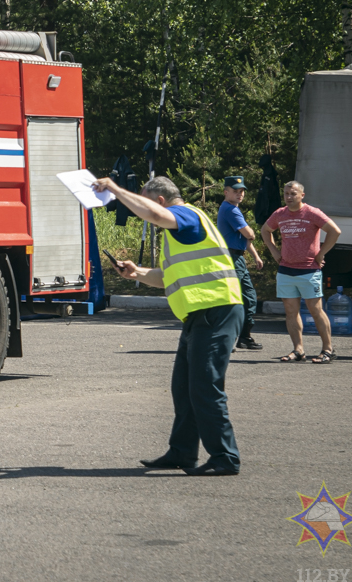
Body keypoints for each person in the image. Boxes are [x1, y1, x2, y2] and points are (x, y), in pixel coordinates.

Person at [92, 174, 244, 476]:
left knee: (204, 387)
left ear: (160, 200)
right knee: (184, 389)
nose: (142, 213)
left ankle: (225, 457)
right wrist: (137, 273)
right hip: (200, 315)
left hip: (215, 311)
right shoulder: (179, 230)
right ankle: (183, 453)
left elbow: (154, 214)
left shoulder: (184, 214)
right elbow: (167, 277)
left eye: (143, 200)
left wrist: (115, 189)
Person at [261, 181, 342, 364]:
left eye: (293, 194)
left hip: (309, 270)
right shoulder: (280, 214)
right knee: (291, 311)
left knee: (315, 310)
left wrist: (320, 253)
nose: (289, 197)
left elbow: (334, 231)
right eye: (286, 193)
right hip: (286, 270)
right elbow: (265, 231)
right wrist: (274, 252)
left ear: (302, 195)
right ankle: (298, 350)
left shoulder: (312, 213)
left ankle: (328, 350)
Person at [217, 176, 264, 350]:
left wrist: (255, 257)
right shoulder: (231, 210)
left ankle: (243, 336)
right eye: (235, 191)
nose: (239, 194)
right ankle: (233, 337)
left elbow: (244, 239)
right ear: (225, 192)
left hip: (236, 256)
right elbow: (249, 234)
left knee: (244, 297)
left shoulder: (231, 208)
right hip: (232, 259)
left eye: (241, 191)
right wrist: (249, 234)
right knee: (240, 298)